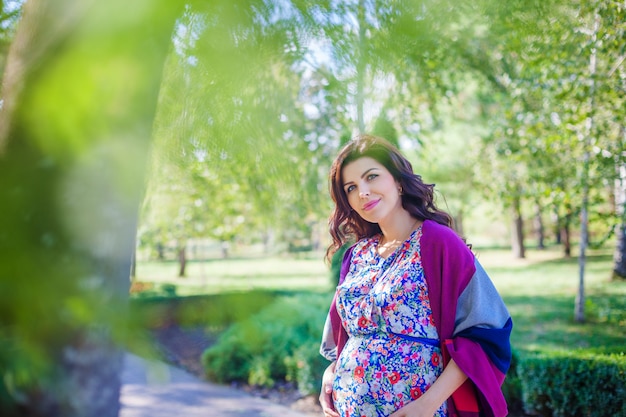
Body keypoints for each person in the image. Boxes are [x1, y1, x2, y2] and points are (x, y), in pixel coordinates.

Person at [318, 134, 512, 417]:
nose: (362, 192)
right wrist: (331, 372)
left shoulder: (438, 243)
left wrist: (427, 404)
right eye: (351, 187)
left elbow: (483, 333)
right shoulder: (356, 256)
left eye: (372, 177)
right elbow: (347, 335)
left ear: (397, 180)